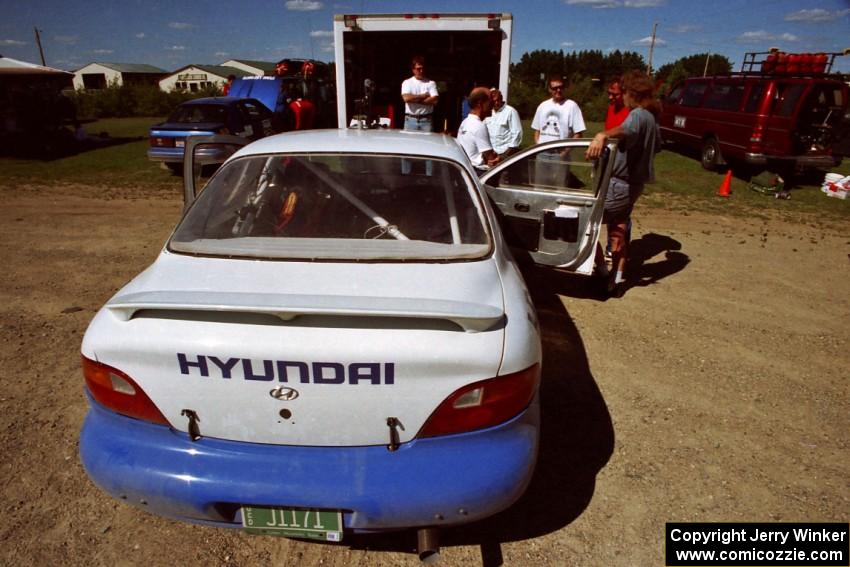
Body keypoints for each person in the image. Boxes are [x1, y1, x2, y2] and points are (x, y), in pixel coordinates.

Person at [586, 70, 662, 296]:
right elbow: (656, 146)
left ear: (631, 93)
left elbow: (627, 130)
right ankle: (616, 280)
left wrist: (602, 135)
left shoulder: (638, 115)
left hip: (620, 184)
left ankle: (600, 272)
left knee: (586, 222)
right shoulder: (652, 118)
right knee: (618, 230)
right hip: (633, 186)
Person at [531, 75, 586, 188]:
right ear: (549, 89)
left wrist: (565, 152)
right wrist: (538, 146)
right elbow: (537, 130)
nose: (558, 90)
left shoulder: (571, 106)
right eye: (554, 88)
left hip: (560, 155)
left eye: (560, 87)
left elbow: (578, 133)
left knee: (559, 189)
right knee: (540, 188)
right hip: (542, 154)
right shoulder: (543, 106)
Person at [604, 77, 632, 259]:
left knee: (621, 214)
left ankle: (621, 247)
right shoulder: (611, 109)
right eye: (609, 93)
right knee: (609, 209)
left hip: (623, 170)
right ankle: (610, 245)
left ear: (624, 94)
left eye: (614, 94)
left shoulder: (631, 114)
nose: (610, 97)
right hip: (608, 166)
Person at [457, 87, 499, 172]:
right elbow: (491, 158)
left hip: (468, 169)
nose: (493, 104)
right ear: (480, 104)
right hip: (478, 172)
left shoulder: (465, 122)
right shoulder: (478, 126)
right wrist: (499, 158)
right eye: (490, 100)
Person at [401, 56, 439, 132]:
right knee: (409, 143)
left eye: (423, 68)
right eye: (418, 69)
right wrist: (423, 96)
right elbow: (406, 98)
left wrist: (414, 100)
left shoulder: (431, 83)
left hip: (426, 120)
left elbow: (435, 101)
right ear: (413, 70)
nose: (421, 71)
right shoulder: (407, 82)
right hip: (410, 120)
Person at [484, 88, 522, 162]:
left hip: (505, 155)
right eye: (494, 101)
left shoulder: (510, 111)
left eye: (498, 100)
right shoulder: (487, 113)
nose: (497, 103)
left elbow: (517, 134)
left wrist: (504, 156)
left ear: (501, 98)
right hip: (491, 155)